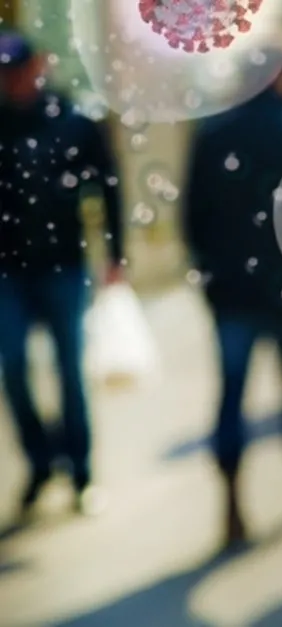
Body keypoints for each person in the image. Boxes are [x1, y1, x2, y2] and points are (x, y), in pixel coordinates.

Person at [183, 51, 282, 547]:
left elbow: (192, 218)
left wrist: (212, 273)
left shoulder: (213, 136)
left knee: (231, 393)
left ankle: (231, 506)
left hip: (232, 291)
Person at [0, 32, 125, 516]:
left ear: (38, 67)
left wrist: (114, 254)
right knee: (13, 367)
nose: (12, 81)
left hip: (63, 267)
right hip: (9, 270)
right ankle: (39, 461)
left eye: (18, 69)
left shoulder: (72, 121)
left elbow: (107, 184)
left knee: (69, 370)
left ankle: (81, 468)